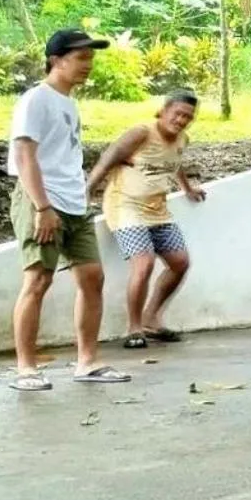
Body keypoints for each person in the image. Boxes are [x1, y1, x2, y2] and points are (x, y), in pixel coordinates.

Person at [8, 28, 132, 392]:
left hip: (73, 203)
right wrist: (43, 207)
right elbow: (24, 155)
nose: (88, 65)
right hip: (41, 200)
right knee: (37, 280)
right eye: (81, 58)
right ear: (56, 60)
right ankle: (26, 369)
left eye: (90, 58)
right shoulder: (36, 99)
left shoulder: (68, 102)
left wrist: (79, 196)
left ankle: (87, 362)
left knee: (93, 277)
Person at [87, 88, 205, 349]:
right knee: (144, 264)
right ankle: (134, 328)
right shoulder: (141, 133)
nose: (182, 121)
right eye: (178, 114)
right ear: (163, 112)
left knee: (180, 263)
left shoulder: (182, 139)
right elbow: (108, 158)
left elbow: (175, 163)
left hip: (157, 210)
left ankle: (152, 318)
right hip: (125, 205)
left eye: (188, 117)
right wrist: (87, 192)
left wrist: (187, 188)